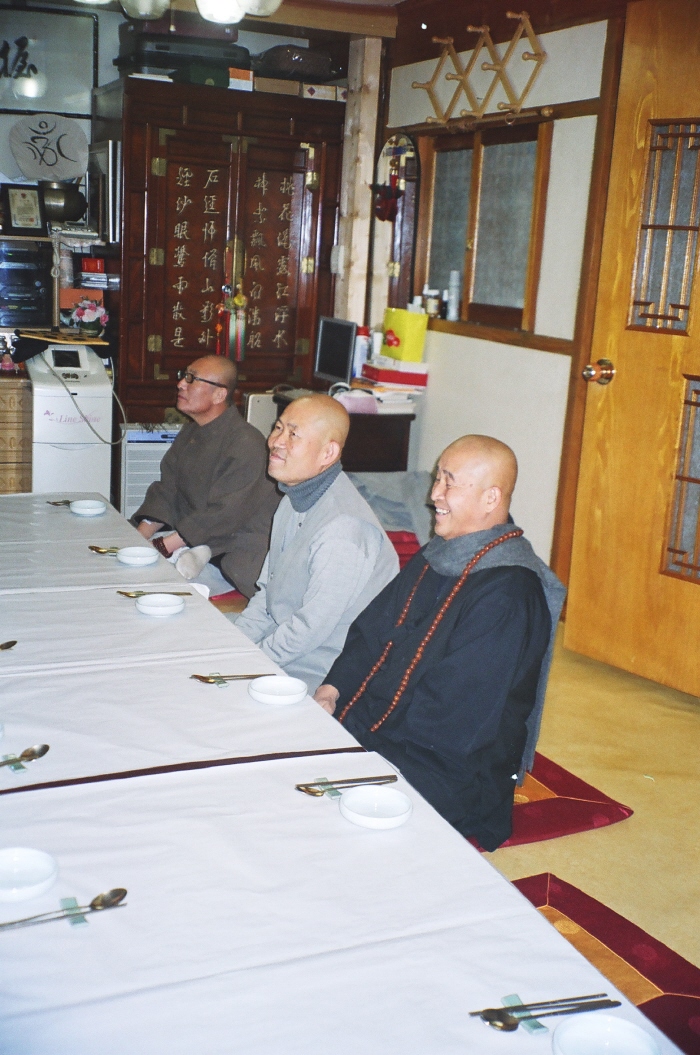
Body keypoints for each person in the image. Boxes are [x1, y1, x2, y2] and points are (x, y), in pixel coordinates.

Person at [314, 435, 566, 851]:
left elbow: (455, 717)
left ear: (490, 498)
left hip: (445, 765)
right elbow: (373, 631)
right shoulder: (441, 553)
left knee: (329, 828)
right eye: (437, 478)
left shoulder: (508, 591)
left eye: (450, 481)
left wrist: (363, 753)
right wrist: (332, 689)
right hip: (380, 726)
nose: (434, 495)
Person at [232, 394, 399, 692]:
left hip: (322, 671)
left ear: (327, 453)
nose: (276, 442)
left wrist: (247, 664)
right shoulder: (293, 498)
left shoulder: (344, 528)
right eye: (278, 428)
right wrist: (234, 646)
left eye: (293, 434)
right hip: (282, 645)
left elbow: (310, 629)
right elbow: (267, 593)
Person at [132, 355, 279, 597]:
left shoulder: (246, 443)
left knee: (147, 585)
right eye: (184, 376)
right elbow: (167, 489)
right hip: (189, 540)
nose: (181, 384)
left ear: (219, 395)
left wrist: (162, 546)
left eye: (192, 379)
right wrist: (138, 538)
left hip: (230, 554)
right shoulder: (192, 430)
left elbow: (225, 514)